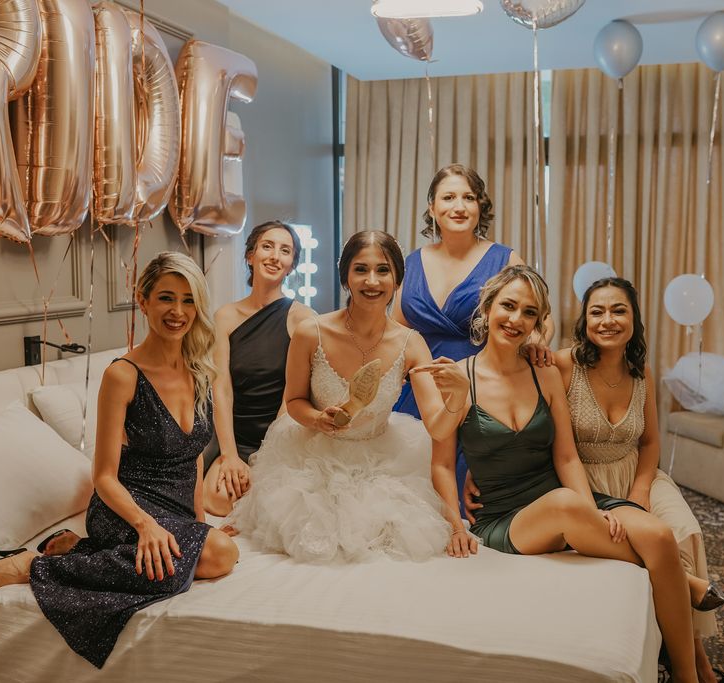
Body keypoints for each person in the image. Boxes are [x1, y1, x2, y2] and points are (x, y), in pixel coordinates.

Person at [413, 264, 699, 683]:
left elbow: (566, 457)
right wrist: (455, 523)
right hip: (506, 516)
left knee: (658, 535)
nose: (516, 319)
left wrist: (590, 512)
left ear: (537, 323)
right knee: (568, 505)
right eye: (508, 306)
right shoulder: (460, 376)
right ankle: (684, 581)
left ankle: (689, 676)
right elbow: (440, 463)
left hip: (566, 500)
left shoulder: (544, 371)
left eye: (529, 312)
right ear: (487, 309)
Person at [0, 252, 239, 668]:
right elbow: (104, 477)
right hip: (124, 508)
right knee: (221, 554)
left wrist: (198, 526)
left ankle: (80, 551)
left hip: (176, 510)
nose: (178, 312)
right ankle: (31, 566)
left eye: (188, 300)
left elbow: (193, 458)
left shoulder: (201, 370)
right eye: (166, 298)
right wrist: (145, 525)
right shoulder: (122, 375)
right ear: (143, 300)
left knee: (214, 548)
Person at [225, 230, 450, 563]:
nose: (371, 281)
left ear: (397, 280)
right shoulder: (311, 332)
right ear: (346, 276)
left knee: (391, 539)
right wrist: (317, 419)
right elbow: (294, 401)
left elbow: (438, 426)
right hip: (312, 461)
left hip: (382, 463)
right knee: (315, 539)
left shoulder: (412, 344)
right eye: (360, 269)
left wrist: (459, 396)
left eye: (383, 270)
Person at [553, 277, 724, 683]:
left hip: (637, 473)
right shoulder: (563, 366)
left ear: (634, 319)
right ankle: (694, 665)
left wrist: (641, 490)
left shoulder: (641, 373)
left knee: (683, 531)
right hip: (585, 479)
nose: (607, 320)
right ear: (584, 320)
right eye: (597, 312)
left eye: (619, 311)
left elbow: (649, 443)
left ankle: (692, 653)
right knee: (653, 542)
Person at [392, 164, 530, 502]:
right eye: (448, 197)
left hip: (479, 391)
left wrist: (537, 340)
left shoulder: (504, 258)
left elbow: (540, 316)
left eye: (468, 197)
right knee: (412, 496)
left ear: (480, 205)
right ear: (432, 208)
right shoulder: (410, 262)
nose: (459, 206)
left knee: (469, 500)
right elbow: (397, 331)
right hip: (419, 392)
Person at [202, 221, 316, 516]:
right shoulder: (225, 316)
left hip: (281, 437)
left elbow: (292, 397)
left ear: (291, 265)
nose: (275, 256)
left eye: (285, 251)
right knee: (217, 499)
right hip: (235, 437)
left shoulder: (304, 319)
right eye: (267, 246)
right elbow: (221, 390)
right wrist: (229, 456)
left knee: (273, 500)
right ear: (250, 255)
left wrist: (267, 459)